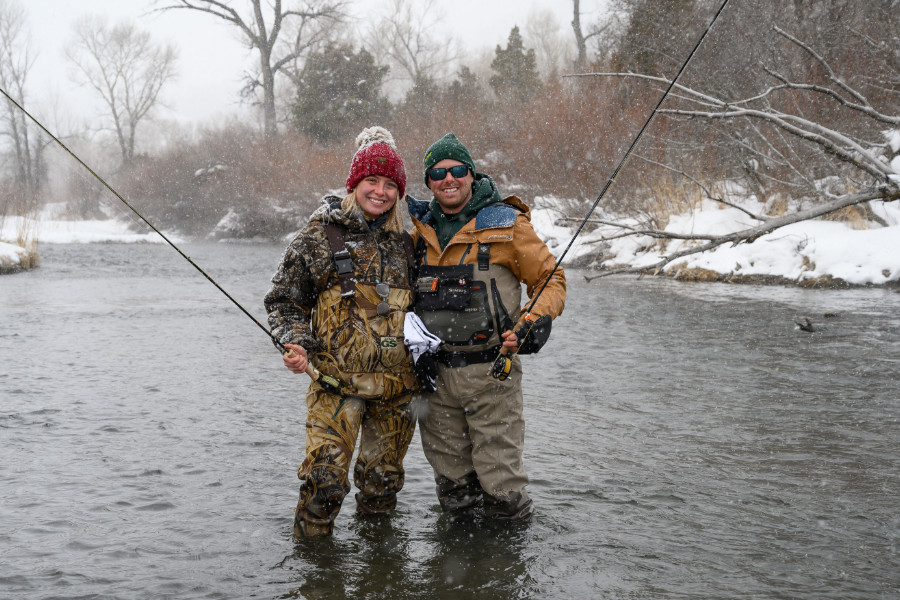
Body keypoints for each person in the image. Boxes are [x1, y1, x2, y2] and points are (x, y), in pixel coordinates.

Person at [265, 126, 418, 538]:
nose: (381, 192)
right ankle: (315, 574)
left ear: (400, 192)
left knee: (382, 487)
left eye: (390, 184)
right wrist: (295, 342)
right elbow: (283, 301)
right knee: (324, 485)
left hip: (396, 392)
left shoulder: (410, 243)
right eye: (372, 181)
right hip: (334, 386)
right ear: (354, 184)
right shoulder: (319, 235)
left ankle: (380, 575)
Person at [408, 132, 566, 522]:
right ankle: (459, 576)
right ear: (428, 182)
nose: (449, 179)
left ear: (472, 174)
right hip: (434, 381)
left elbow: (551, 279)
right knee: (453, 493)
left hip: (493, 375)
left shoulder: (508, 225)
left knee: (503, 496)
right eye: (438, 173)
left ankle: (503, 574)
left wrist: (535, 320)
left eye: (458, 170)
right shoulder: (416, 231)